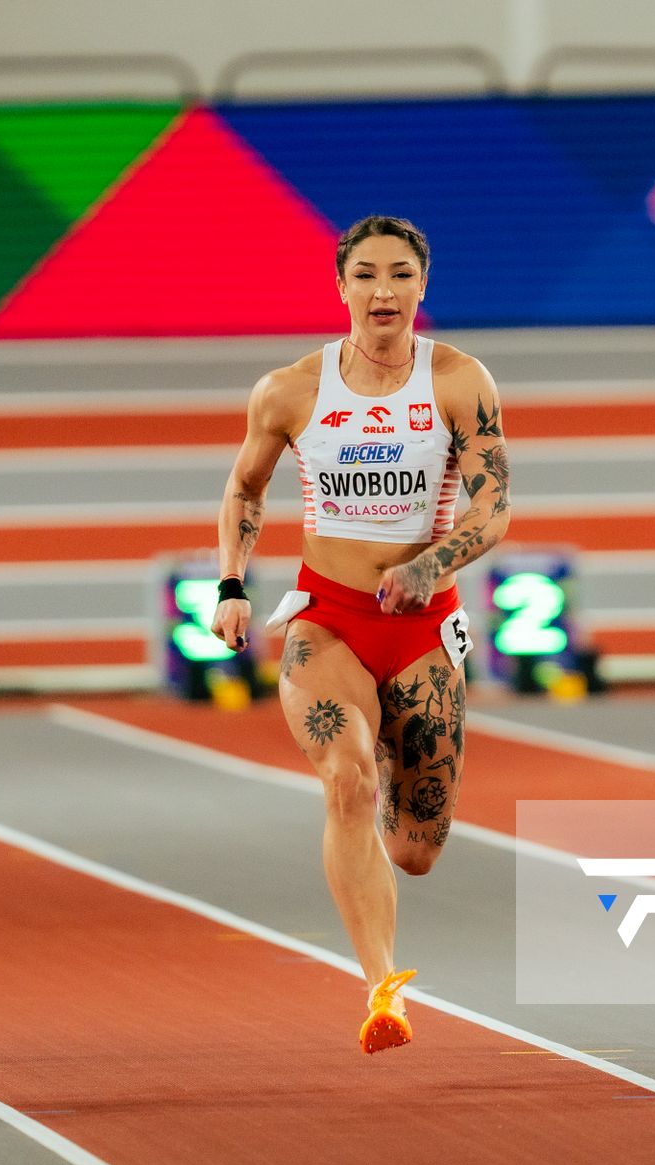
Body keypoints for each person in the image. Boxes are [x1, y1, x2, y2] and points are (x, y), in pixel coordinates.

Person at [212, 215, 512, 1053]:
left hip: (422, 628)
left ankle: (389, 753)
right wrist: (233, 584)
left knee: (415, 850)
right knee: (345, 785)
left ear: (423, 286)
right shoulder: (291, 391)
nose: (384, 291)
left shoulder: (457, 381)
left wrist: (429, 565)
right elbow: (244, 488)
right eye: (367, 275)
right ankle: (382, 988)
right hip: (328, 621)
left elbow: (494, 505)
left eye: (401, 275)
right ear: (340, 286)